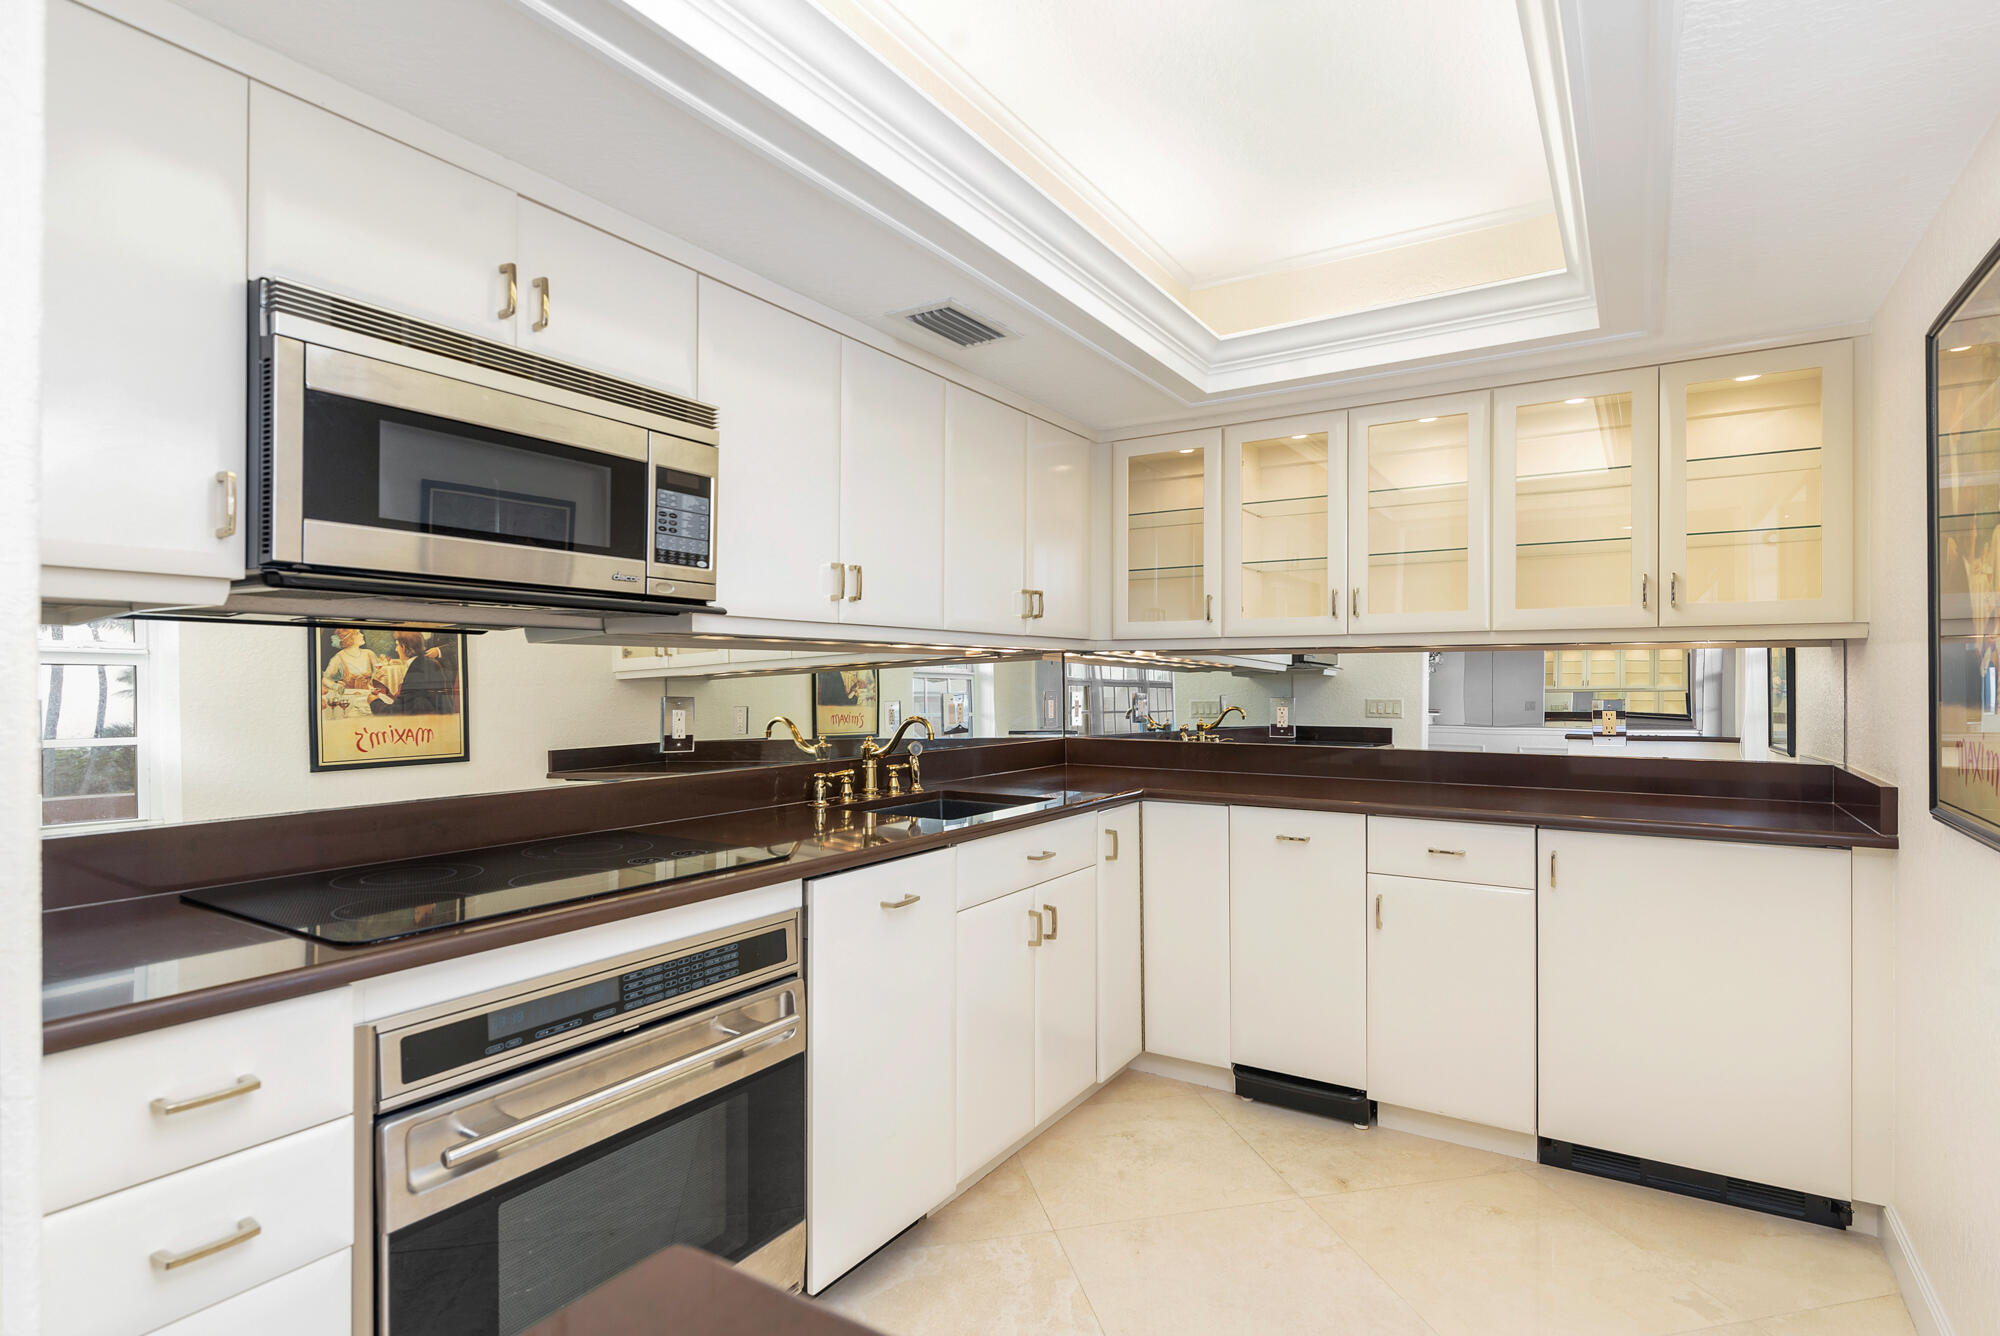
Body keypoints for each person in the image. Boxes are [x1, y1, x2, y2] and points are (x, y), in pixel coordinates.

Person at [319, 628, 391, 715]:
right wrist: (336, 686)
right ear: (350, 638)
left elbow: (379, 676)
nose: (362, 635)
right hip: (351, 699)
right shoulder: (338, 657)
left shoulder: (369, 654)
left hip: (369, 696)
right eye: (358, 633)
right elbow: (324, 679)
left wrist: (378, 678)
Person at [383, 630, 456, 715]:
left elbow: (395, 711)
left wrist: (373, 701)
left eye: (397, 645)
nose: (396, 649)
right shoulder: (427, 663)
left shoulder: (417, 671)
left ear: (403, 647)